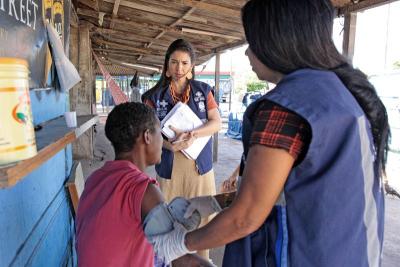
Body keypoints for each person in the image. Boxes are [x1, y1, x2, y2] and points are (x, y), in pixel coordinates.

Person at [149, 0, 390, 266]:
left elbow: (247, 217)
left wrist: (180, 243)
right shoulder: (348, 94)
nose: (247, 53)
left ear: (275, 42)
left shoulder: (285, 107)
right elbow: (293, 187)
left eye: (251, 42)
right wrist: (216, 202)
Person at [75, 102, 212, 267]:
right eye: (160, 133)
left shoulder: (95, 179)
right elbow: (177, 255)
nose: (163, 140)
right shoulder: (144, 190)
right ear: (147, 136)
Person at [144, 38, 222, 260]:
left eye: (185, 63)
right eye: (174, 62)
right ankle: (171, 261)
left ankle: (201, 260)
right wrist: (170, 144)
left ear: (191, 68)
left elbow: (216, 123)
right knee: (169, 218)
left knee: (201, 217)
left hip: (200, 169)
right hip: (169, 167)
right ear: (166, 67)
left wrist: (193, 135)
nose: (179, 68)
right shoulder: (152, 97)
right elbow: (149, 133)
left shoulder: (203, 91)